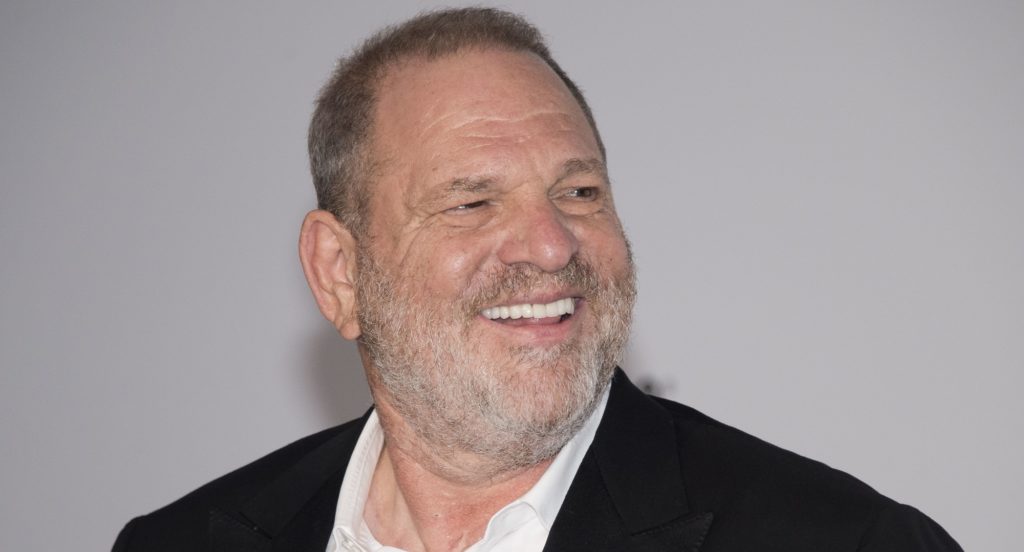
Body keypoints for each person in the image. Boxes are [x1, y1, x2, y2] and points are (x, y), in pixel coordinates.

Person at [113, 8, 962, 552]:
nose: (553, 245)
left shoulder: (845, 542)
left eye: (579, 192)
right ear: (339, 273)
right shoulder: (180, 543)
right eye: (472, 201)